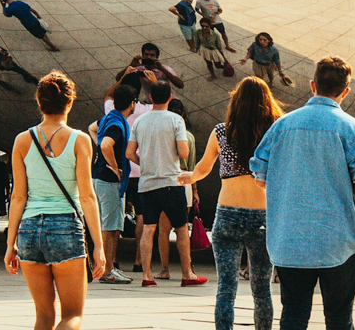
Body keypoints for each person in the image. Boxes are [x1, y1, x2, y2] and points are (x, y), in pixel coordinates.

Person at [250, 57, 355, 330]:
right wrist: (336, 191)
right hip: (338, 238)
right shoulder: (353, 129)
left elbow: (260, 179)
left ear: (312, 85)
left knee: (294, 314)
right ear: (345, 91)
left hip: (290, 237)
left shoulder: (282, 126)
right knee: (339, 319)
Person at [4, 71, 108, 330]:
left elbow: (18, 196)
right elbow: (86, 196)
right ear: (70, 102)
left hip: (28, 229)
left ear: (39, 102)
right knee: (72, 315)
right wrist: (99, 245)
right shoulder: (79, 140)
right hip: (65, 228)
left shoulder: (22, 140)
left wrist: (10, 244)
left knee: (43, 317)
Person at [183, 77, 283, 330]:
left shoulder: (221, 132)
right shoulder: (276, 132)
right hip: (264, 215)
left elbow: (203, 168)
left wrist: (189, 177)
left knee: (226, 289)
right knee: (262, 291)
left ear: (236, 101)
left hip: (228, 214)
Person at [126, 81, 206, 287]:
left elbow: (129, 153)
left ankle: (147, 276)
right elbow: (184, 152)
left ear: (151, 97)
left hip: (147, 184)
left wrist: (145, 163)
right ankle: (187, 274)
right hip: (172, 182)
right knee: (180, 228)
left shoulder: (139, 122)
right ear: (170, 97)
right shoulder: (176, 120)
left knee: (149, 229)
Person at [92, 83, 136, 284]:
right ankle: (107, 269)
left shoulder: (109, 117)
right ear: (132, 104)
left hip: (102, 179)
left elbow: (93, 129)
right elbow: (107, 144)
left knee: (110, 225)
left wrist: (100, 147)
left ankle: (106, 267)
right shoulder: (118, 124)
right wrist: (114, 166)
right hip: (109, 181)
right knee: (110, 228)